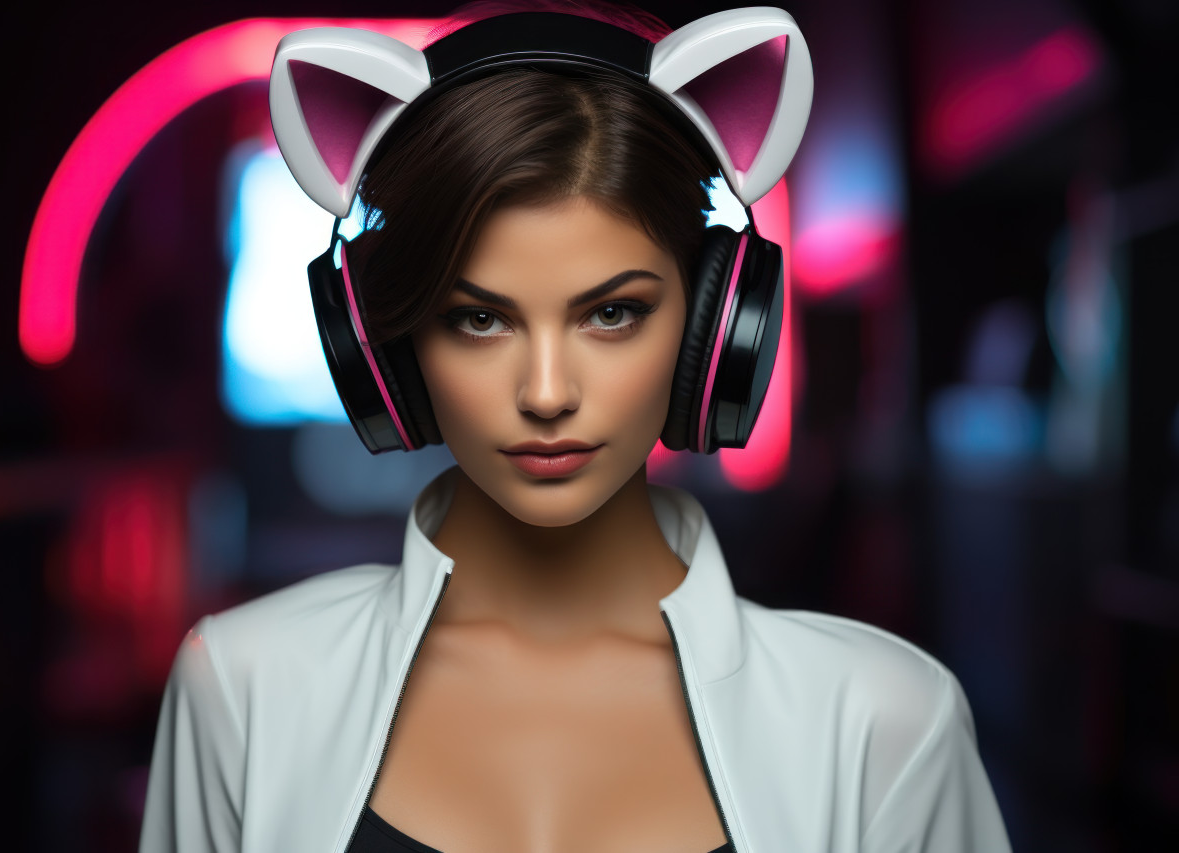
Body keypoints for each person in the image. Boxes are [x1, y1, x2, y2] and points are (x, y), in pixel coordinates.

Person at [140, 3, 1012, 851]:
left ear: (715, 327)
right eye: (479, 320)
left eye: (613, 314)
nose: (548, 392)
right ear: (387, 349)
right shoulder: (242, 688)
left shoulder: (887, 724)